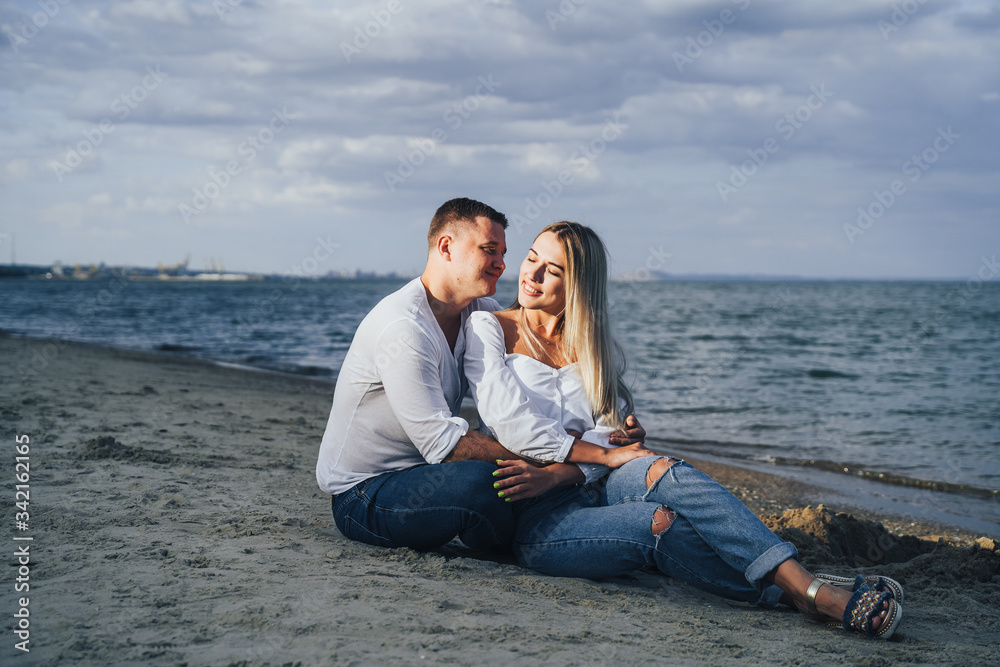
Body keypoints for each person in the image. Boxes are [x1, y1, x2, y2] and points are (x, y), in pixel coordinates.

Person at [463, 221, 903, 639]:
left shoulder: (593, 348)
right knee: (659, 525)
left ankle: (804, 584)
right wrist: (603, 455)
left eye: (552, 270)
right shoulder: (490, 327)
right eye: (532, 258)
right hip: (539, 516)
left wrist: (581, 462)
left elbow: (609, 437)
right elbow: (513, 424)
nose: (532, 274)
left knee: (663, 469)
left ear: (577, 284)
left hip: (588, 482)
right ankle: (799, 594)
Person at [315, 199, 649, 552]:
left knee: (499, 477)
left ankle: (575, 529)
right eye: (489, 250)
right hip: (366, 493)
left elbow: (523, 396)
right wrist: (566, 455)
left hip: (425, 473)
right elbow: (444, 445)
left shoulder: (482, 312)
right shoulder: (403, 328)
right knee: (483, 481)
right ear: (446, 247)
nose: (503, 265)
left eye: (504, 253)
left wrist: (611, 431)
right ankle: (528, 548)